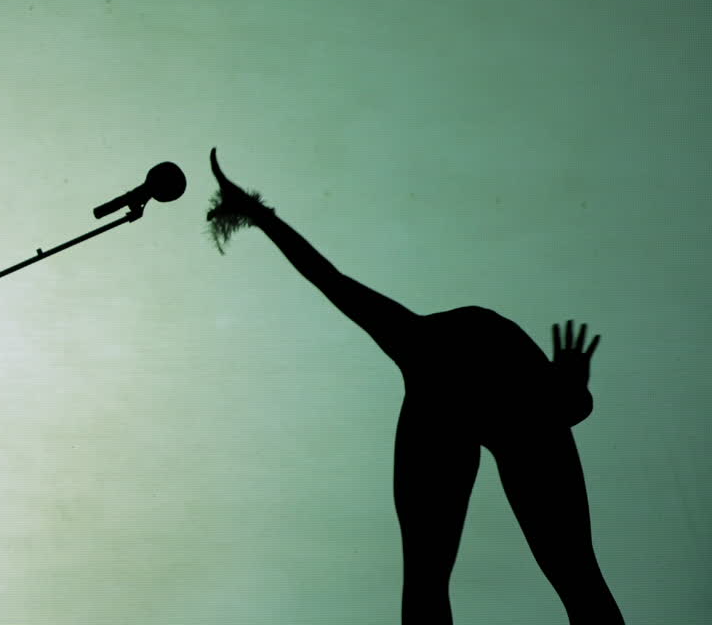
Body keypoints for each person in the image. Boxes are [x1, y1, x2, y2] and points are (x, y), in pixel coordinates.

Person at [205, 148, 625, 624]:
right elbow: (329, 280)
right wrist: (258, 214)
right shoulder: (441, 354)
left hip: (488, 390)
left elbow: (329, 279)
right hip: (473, 390)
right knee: (561, 577)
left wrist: (259, 214)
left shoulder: (451, 356)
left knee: (542, 577)